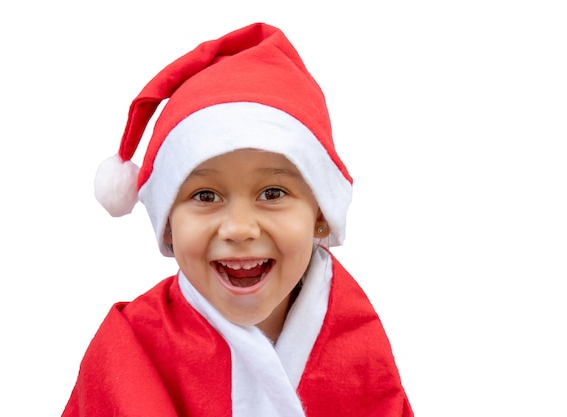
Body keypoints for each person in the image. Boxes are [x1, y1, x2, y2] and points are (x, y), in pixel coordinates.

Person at [62, 22, 413, 417]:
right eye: (205, 196)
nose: (240, 228)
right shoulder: (127, 348)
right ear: (168, 227)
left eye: (273, 193)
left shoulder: (358, 342)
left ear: (321, 215)